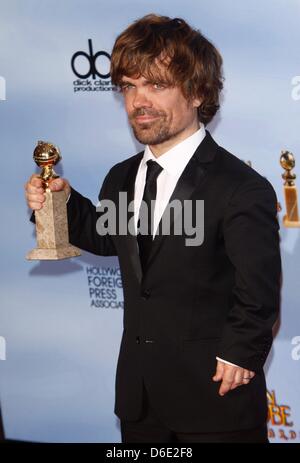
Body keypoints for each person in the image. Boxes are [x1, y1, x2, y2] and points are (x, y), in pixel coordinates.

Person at [25, 14, 281, 443]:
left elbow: (258, 289)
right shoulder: (121, 177)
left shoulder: (240, 186)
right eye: (129, 86)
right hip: (139, 402)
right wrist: (60, 204)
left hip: (215, 403)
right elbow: (110, 239)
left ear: (198, 92)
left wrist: (241, 353)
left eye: (156, 85)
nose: (138, 101)